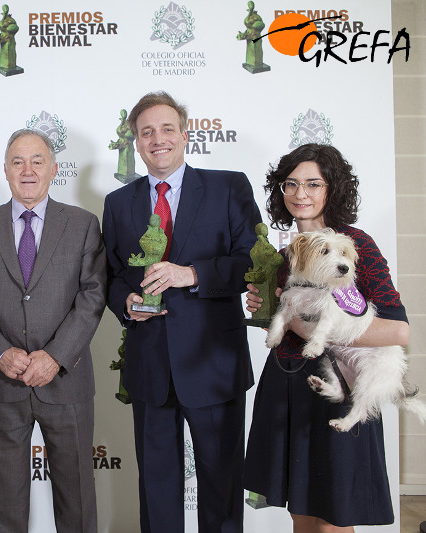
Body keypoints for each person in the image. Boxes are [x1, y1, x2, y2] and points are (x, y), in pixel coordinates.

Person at [102, 91, 261, 533]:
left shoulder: (229, 187)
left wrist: (190, 274)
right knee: (156, 486)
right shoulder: (118, 204)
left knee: (222, 484)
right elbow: (112, 276)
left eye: (167, 129)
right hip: (150, 362)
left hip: (212, 363)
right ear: (136, 143)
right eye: (147, 132)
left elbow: (251, 261)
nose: (158, 140)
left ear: (186, 134)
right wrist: (127, 304)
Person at [243, 143, 409, 532]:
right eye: (291, 184)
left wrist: (306, 328)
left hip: (340, 387)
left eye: (313, 184)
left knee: (334, 519)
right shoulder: (285, 257)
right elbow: (285, 319)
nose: (300, 194)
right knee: (301, 516)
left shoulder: (356, 246)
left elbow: (398, 330)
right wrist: (265, 309)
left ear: (331, 189)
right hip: (288, 387)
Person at [0, 129, 106, 533]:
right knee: (5, 501)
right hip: (2, 383)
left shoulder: (83, 224)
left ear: (54, 169)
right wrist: (1, 353)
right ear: (5, 171)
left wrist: (55, 356)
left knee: (76, 499)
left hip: (66, 383)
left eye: (37, 161)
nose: (28, 170)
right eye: (18, 162)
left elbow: (93, 296)